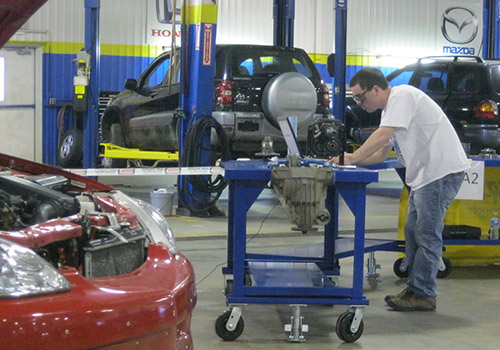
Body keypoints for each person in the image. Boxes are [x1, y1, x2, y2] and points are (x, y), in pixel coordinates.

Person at [332, 67, 470, 311]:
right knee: (413, 231)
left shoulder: (402, 96)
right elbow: (380, 153)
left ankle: (424, 293)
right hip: (426, 176)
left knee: (426, 234)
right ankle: (417, 289)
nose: (360, 103)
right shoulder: (391, 111)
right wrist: (344, 160)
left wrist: (352, 157)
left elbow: (382, 135)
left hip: (439, 173)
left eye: (360, 96)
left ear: (376, 89)